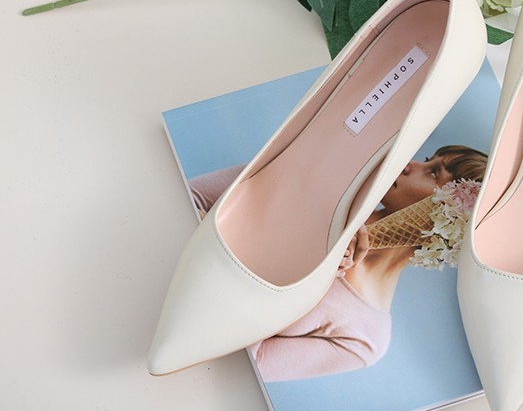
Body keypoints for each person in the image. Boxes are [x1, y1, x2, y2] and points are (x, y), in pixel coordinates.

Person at [188, 145, 487, 381]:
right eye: (428, 159)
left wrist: (305, 267)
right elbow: (190, 198)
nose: (410, 164)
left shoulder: (365, 337)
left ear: (447, 222)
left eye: (433, 172)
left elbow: (238, 370)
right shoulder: (315, 182)